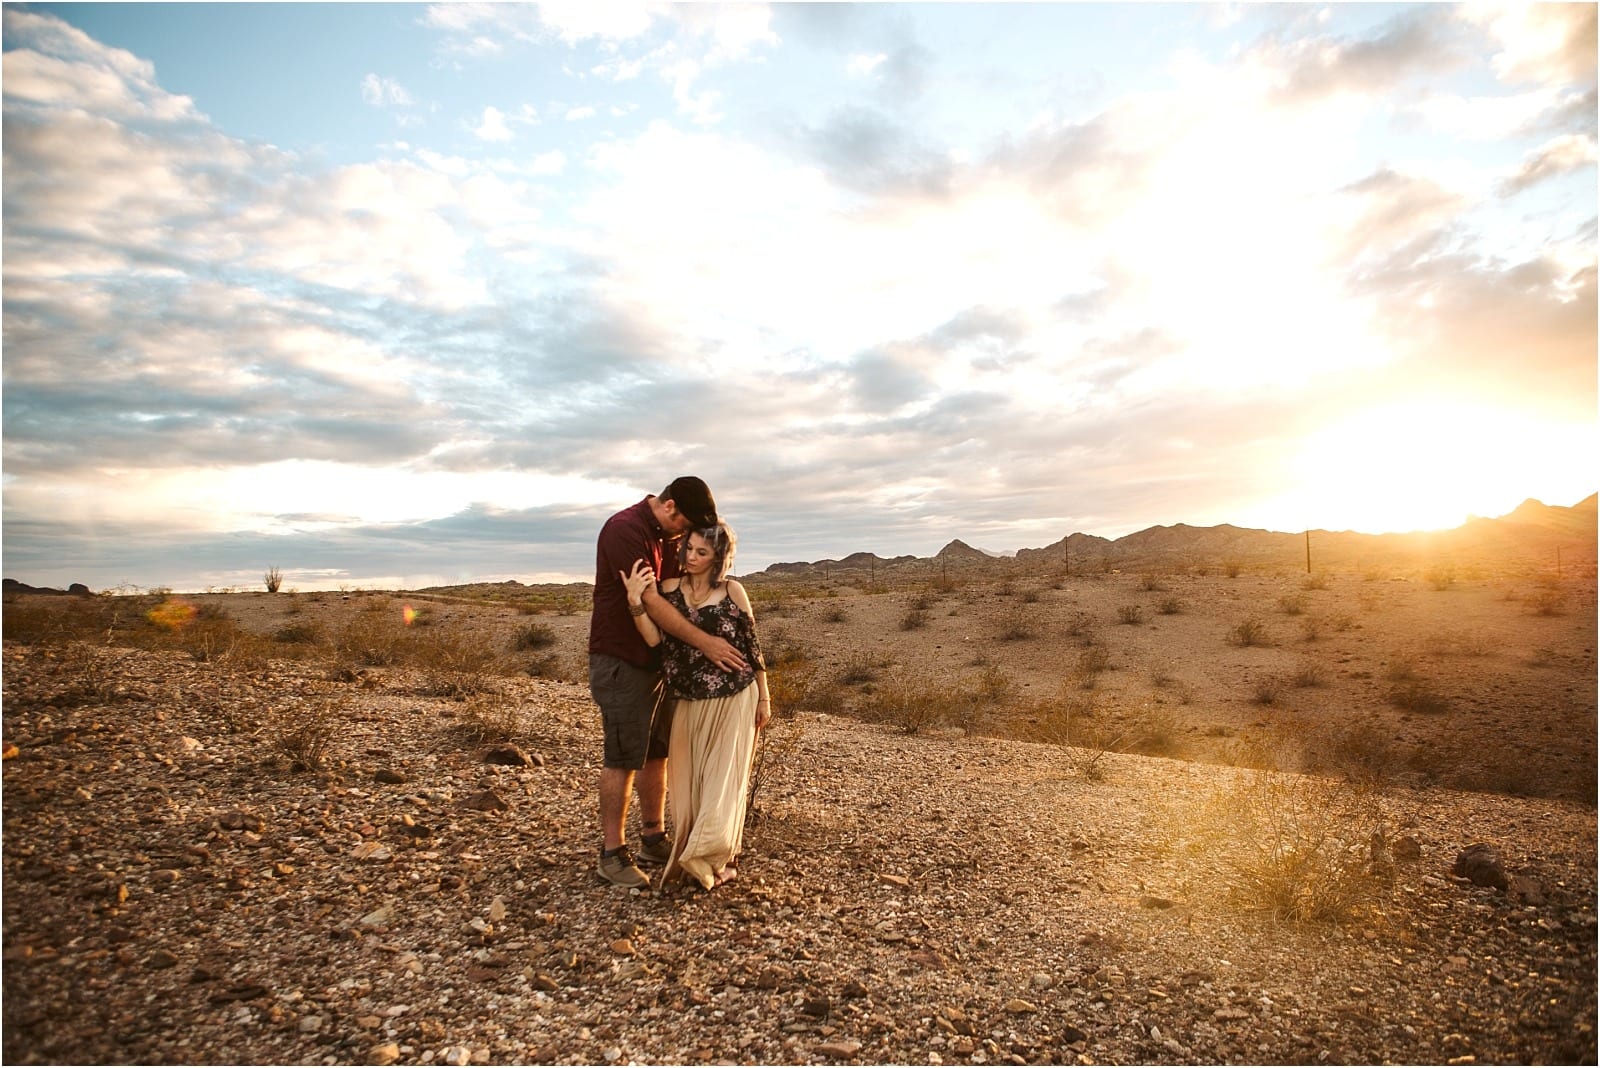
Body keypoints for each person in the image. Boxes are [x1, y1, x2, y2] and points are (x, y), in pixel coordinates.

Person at [588, 477, 750, 890]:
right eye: (686, 527)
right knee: (623, 755)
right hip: (623, 659)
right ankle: (612, 854)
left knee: (656, 751)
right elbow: (652, 601)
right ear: (671, 506)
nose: (686, 538)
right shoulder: (625, 531)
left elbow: (680, 591)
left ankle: (652, 837)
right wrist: (706, 643)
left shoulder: (666, 536)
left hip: (661, 664)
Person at [620, 520, 771, 890]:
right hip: (688, 700)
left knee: (724, 782)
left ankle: (717, 859)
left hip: (736, 697)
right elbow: (655, 641)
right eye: (688, 548)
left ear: (718, 558)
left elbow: (753, 649)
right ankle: (699, 853)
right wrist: (635, 603)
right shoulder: (668, 590)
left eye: (701, 552)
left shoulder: (733, 591)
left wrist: (764, 697)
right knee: (689, 789)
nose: (691, 557)